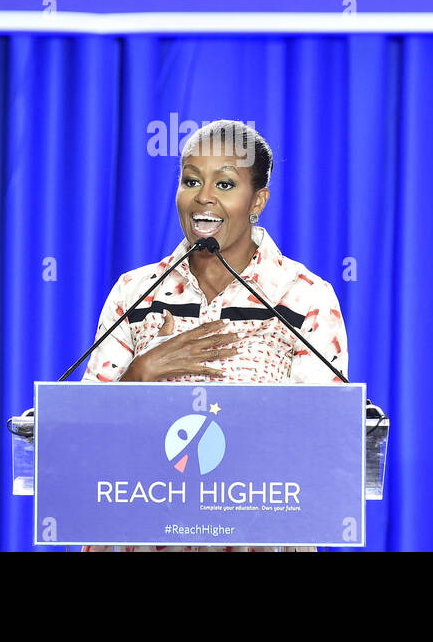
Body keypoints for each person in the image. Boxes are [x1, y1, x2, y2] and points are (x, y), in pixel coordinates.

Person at [81, 120, 348, 551]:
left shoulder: (304, 295)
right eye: (191, 180)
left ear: (257, 200)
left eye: (225, 183)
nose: (203, 196)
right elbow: (83, 440)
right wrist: (139, 374)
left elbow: (318, 446)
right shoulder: (135, 291)